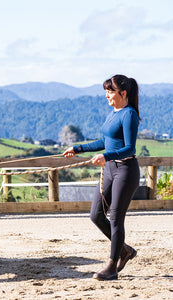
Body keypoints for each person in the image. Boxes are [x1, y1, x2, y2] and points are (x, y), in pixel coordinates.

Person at [63, 74, 140, 280]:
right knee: (96, 215)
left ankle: (112, 266)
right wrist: (78, 148)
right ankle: (125, 251)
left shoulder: (129, 114)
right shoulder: (113, 113)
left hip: (125, 170)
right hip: (110, 170)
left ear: (122, 93)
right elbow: (105, 141)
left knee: (115, 218)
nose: (106, 96)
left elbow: (129, 149)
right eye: (106, 91)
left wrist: (106, 156)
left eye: (110, 91)